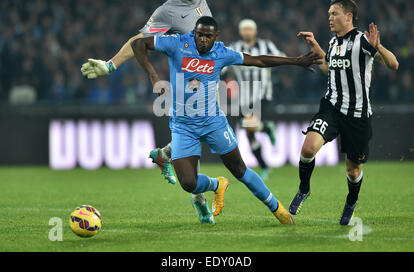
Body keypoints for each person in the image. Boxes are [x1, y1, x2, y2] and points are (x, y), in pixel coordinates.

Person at [81, 16, 321, 224]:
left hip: (213, 123)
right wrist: (154, 76)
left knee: (240, 169)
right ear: (193, 33)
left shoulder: (222, 52)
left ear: (215, 36)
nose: (203, 40)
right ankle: (217, 184)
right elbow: (139, 44)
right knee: (188, 183)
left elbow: (258, 60)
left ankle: (277, 209)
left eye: (208, 36)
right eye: (199, 35)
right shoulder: (177, 43)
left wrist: (295, 61)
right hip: (183, 126)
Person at [82, 0, 210, 191]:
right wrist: (110, 65)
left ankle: (165, 155)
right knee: (202, 131)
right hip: (187, 83)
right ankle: (193, 188)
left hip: (206, 77)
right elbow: (139, 41)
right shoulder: (166, 12)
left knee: (199, 132)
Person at [288, 0, 399, 225]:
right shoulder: (332, 42)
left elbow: (393, 64)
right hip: (331, 108)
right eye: (329, 13)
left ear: (348, 17)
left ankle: (350, 202)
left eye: (334, 13)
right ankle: (304, 189)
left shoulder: (362, 41)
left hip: (357, 115)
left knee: (353, 169)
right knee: (308, 148)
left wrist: (378, 46)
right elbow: (329, 68)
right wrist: (314, 47)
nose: (330, 17)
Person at [225, 18, 286, 180]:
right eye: (244, 29)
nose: (247, 32)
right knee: (249, 134)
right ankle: (264, 164)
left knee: (249, 125)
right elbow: (222, 64)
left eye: (249, 29)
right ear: (240, 32)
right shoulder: (234, 48)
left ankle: (266, 128)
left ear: (255, 31)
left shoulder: (266, 45)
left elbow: (280, 57)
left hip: (263, 94)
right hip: (243, 98)